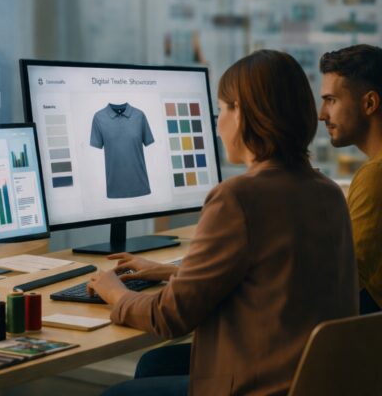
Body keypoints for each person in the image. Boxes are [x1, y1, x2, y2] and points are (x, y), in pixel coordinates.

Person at [89, 50, 358, 396]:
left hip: (259, 386)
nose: (216, 125)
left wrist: (115, 291)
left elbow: (169, 317)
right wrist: (175, 272)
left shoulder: (237, 197)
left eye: (221, 110)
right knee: (155, 366)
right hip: (313, 381)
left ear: (242, 113)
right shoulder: (327, 191)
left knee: (115, 394)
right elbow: (274, 275)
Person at [319, 44, 382, 314]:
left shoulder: (374, 176)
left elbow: (343, 280)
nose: (322, 114)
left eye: (331, 100)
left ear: (369, 103)